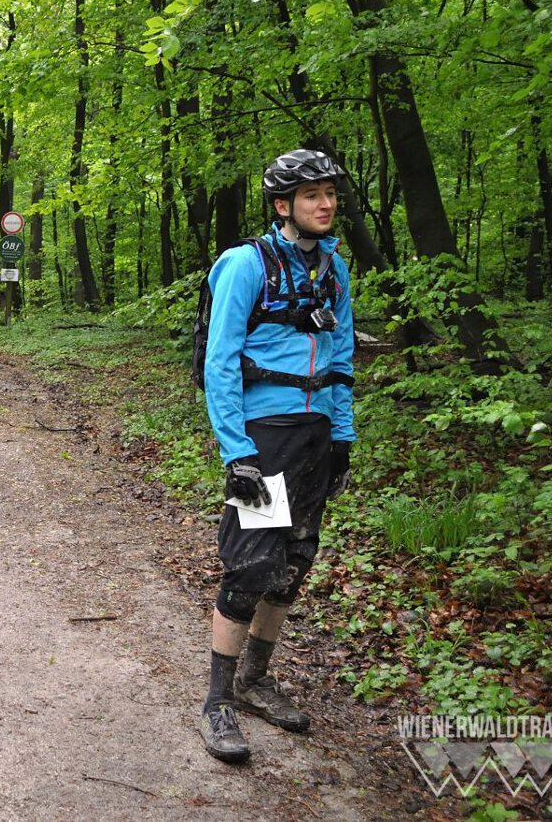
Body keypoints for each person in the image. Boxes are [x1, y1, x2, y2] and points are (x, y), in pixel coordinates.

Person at [197, 149, 356, 764]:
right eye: (313, 195)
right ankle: (218, 702)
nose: (326, 204)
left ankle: (255, 681)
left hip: (315, 435)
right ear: (283, 204)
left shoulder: (335, 271)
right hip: (265, 439)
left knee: (293, 564)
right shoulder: (246, 264)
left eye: (330, 193)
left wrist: (342, 437)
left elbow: (342, 358)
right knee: (251, 568)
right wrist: (237, 452)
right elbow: (220, 362)